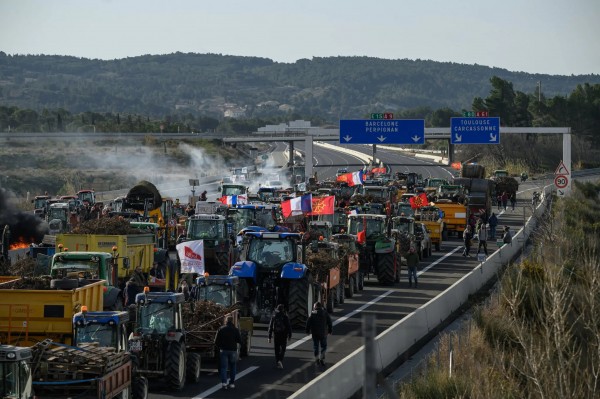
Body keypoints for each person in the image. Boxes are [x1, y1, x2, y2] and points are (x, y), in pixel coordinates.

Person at [214, 316, 242, 390]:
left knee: (223, 367)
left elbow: (216, 341)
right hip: (233, 350)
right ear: (232, 321)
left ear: (226, 321)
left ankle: (224, 383)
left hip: (223, 350)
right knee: (233, 367)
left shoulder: (221, 329)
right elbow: (239, 340)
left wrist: (220, 347)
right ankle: (232, 383)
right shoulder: (235, 330)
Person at [305, 301, 332, 366]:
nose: (313, 307)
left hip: (315, 333)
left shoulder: (312, 313)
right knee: (323, 346)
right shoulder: (325, 313)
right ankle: (322, 359)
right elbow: (329, 322)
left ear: (316, 306)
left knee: (315, 346)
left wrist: (307, 331)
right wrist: (330, 330)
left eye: (314, 306)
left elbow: (308, 323)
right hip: (323, 333)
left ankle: (316, 360)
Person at [268, 304, 292, 369]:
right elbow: (289, 327)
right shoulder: (285, 317)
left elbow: (270, 327)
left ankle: (277, 362)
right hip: (283, 335)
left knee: (276, 349)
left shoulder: (274, 316)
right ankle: (280, 360)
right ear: (283, 309)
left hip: (276, 334)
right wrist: (289, 335)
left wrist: (269, 337)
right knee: (283, 349)